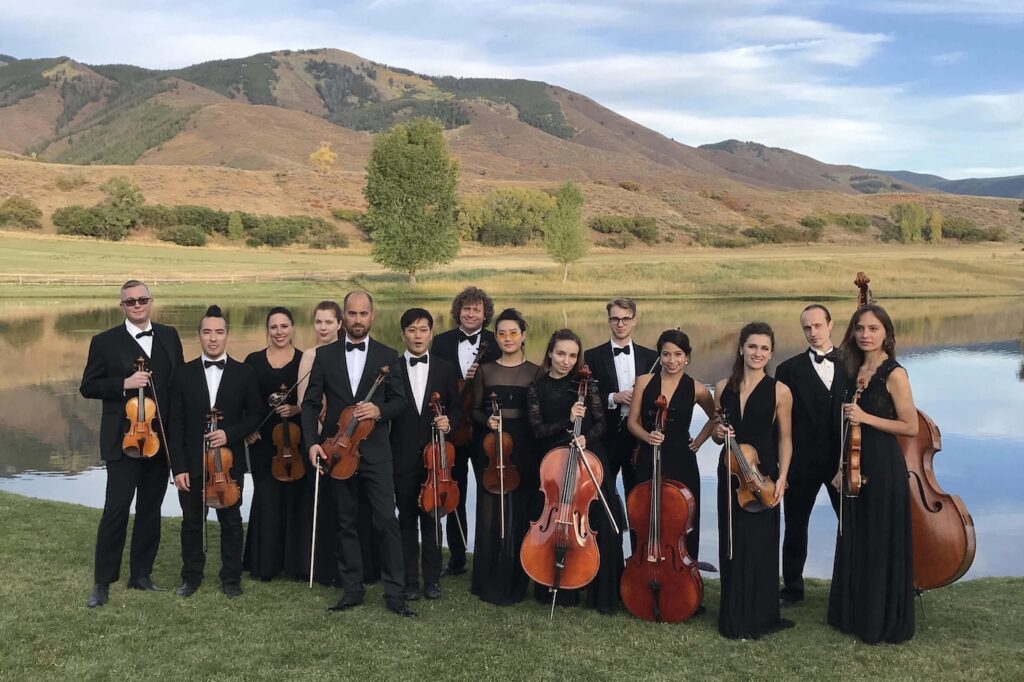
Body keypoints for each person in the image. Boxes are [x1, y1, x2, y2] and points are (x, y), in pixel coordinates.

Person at [302, 291, 414, 617]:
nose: (357, 320)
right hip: (337, 451)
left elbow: (400, 402)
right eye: (352, 314)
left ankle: (395, 593)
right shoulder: (325, 355)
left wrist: (378, 410)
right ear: (344, 317)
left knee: (385, 522)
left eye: (363, 314)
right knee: (344, 521)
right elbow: (310, 405)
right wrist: (312, 442)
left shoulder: (389, 355)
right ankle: (352, 588)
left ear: (372, 316)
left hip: (376, 453)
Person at [80, 280, 183, 608]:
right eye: (130, 301)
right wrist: (123, 384)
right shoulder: (104, 342)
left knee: (150, 510)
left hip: (160, 439)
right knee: (115, 510)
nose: (137, 305)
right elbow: (88, 386)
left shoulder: (169, 335)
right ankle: (102, 581)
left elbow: (178, 383)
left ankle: (141, 574)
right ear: (122, 305)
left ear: (150, 302)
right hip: (123, 441)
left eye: (142, 300)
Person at [828, 304, 917, 644]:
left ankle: (880, 620)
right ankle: (854, 614)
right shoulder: (854, 370)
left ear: (886, 334)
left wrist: (866, 417)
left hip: (882, 464)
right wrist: (839, 466)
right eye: (860, 328)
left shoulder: (894, 373)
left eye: (873, 329)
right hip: (854, 462)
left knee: (879, 539)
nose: (865, 335)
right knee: (856, 536)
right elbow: (846, 427)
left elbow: (909, 426)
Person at [169, 305, 262, 598]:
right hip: (193, 463)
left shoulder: (244, 373)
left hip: (228, 461)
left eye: (219, 332)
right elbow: (176, 424)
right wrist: (179, 467)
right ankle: (191, 577)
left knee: (231, 522)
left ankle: (231, 578)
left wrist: (230, 433)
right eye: (207, 332)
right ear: (198, 336)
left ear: (227, 335)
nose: (213, 338)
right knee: (191, 522)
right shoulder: (182, 374)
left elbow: (255, 415)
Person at [527, 329, 622, 614]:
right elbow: (538, 430)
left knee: (601, 524)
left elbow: (601, 424)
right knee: (556, 521)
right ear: (549, 354)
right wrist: (566, 422)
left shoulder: (587, 384)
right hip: (554, 462)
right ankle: (558, 582)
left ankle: (600, 594)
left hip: (589, 456)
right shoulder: (537, 388)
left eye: (571, 355)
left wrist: (585, 437)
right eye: (560, 354)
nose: (566, 361)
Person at [711, 321, 793, 639]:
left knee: (761, 543)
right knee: (732, 541)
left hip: (764, 475)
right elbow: (720, 436)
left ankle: (760, 615)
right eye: (752, 346)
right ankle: (734, 612)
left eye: (764, 348)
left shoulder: (780, 391)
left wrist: (784, 476)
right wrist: (718, 434)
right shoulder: (721, 387)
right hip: (730, 472)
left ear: (770, 352)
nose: (757, 353)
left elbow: (786, 438)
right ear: (741, 348)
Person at [297, 300, 379, 587]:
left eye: (328, 322)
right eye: (318, 322)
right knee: (338, 511)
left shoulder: (377, 354)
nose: (323, 327)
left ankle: (366, 569)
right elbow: (307, 402)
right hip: (331, 441)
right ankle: (335, 571)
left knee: (366, 510)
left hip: (360, 439)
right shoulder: (316, 356)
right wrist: (317, 438)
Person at [627, 329, 715, 576]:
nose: (672, 360)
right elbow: (632, 422)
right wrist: (648, 436)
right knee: (645, 517)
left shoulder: (698, 389)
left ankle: (685, 579)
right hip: (647, 457)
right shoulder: (644, 381)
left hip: (681, 460)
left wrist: (698, 442)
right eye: (666, 354)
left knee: (684, 521)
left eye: (678, 354)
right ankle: (642, 574)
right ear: (660, 356)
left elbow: (716, 417)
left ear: (687, 357)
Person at [775, 304, 846, 607]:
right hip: (801, 462)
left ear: (830, 325)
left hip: (843, 461)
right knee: (794, 526)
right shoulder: (787, 370)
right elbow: (781, 424)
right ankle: (792, 588)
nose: (813, 332)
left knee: (850, 524)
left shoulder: (854, 364)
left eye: (818, 325)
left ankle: (850, 583)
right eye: (807, 327)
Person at [389, 308, 461, 601]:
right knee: (406, 519)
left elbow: (456, 407)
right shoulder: (391, 368)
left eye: (423, 330)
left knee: (433, 519)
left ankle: (431, 580)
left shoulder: (445, 368)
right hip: (403, 456)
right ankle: (408, 581)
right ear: (403, 334)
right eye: (412, 330)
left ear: (431, 333)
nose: (417, 336)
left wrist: (449, 421)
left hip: (436, 459)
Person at [470, 308, 540, 605]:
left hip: (524, 446)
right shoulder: (485, 370)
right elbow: (472, 409)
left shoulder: (536, 372)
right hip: (493, 447)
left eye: (513, 333)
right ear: (495, 336)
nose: (507, 338)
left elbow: (539, 414)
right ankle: (488, 575)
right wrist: (487, 420)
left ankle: (517, 575)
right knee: (490, 511)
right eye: (501, 333)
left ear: (523, 335)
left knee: (520, 511)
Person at [431, 286, 501, 576]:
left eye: (477, 309)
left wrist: (481, 375)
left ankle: (487, 556)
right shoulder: (441, 342)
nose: (471, 313)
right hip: (453, 430)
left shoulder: (496, 343)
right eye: (466, 308)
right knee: (453, 492)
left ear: (485, 314)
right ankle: (457, 558)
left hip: (484, 428)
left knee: (488, 491)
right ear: (458, 311)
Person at [242, 307, 305, 581]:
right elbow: (244, 401)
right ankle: (264, 564)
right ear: (267, 330)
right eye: (274, 327)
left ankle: (294, 565)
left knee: (294, 500)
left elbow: (313, 401)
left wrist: (296, 409)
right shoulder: (252, 361)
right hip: (263, 442)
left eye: (284, 326)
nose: (279, 332)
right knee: (266, 497)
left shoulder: (305, 360)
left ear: (293, 328)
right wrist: (247, 430)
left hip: (295, 441)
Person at [585, 298, 658, 494]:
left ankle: (634, 526)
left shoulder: (652, 358)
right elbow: (584, 397)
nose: (620, 324)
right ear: (609, 321)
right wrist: (612, 397)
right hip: (606, 435)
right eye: (615, 319)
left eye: (626, 319)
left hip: (639, 438)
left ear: (634, 320)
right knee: (602, 491)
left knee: (637, 492)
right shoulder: (591, 356)